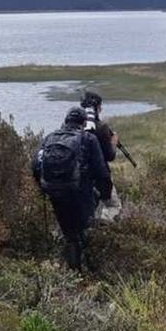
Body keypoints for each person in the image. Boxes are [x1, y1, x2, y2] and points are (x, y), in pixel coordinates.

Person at [32, 107, 112, 271]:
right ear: (83, 123)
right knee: (86, 231)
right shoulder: (88, 138)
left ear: (66, 120)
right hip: (81, 193)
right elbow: (101, 171)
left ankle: (73, 272)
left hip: (55, 193)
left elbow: (35, 165)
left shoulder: (49, 138)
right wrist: (105, 194)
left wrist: (43, 188)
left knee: (69, 235)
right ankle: (91, 270)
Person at [82, 91, 122, 221]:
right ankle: (104, 233)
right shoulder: (101, 127)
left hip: (77, 176)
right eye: (100, 106)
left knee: (86, 209)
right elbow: (110, 156)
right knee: (113, 206)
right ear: (97, 108)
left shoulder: (74, 126)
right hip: (100, 176)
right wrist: (114, 142)